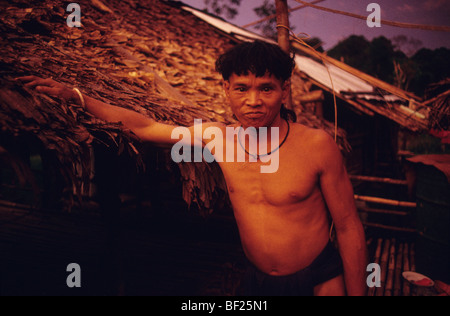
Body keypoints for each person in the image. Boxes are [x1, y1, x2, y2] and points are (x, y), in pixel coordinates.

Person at [18, 40, 368, 296]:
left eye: (266, 88)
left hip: (320, 280)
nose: (254, 101)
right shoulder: (217, 137)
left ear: (283, 91)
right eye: (242, 88)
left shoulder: (317, 145)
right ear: (226, 89)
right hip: (258, 280)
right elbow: (143, 127)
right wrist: (75, 96)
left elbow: (349, 226)